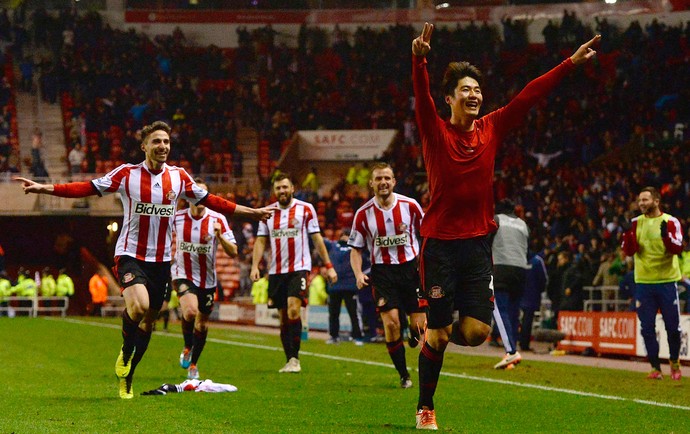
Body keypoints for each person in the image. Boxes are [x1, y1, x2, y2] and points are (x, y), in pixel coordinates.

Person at [411, 22, 600, 429]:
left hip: (478, 243)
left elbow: (528, 96)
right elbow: (421, 98)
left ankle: (433, 334)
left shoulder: (492, 127)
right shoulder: (435, 130)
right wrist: (420, 60)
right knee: (442, 336)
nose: (474, 94)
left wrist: (569, 63)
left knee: (476, 333)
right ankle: (426, 406)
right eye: (465, 89)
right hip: (439, 243)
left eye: (478, 89)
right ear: (450, 98)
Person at [15, 120, 275, 399]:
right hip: (130, 254)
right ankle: (125, 353)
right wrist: (45, 188)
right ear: (144, 146)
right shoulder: (126, 174)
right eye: (156, 142)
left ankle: (128, 377)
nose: (162, 146)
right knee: (138, 307)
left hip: (162, 261)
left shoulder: (179, 177)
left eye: (166, 142)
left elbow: (213, 201)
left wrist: (251, 212)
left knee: (149, 322)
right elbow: (87, 187)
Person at [349, 162, 426, 389]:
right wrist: (357, 273)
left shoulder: (410, 206)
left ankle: (412, 335)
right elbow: (355, 249)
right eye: (378, 178)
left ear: (394, 181)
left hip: (411, 270)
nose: (383, 182)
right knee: (391, 324)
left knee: (419, 328)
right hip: (382, 273)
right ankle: (404, 374)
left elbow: (427, 235)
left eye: (387, 178)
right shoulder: (363, 214)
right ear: (371, 183)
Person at [250, 172, 337, 374]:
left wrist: (328, 265)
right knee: (283, 317)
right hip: (276, 271)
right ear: (274, 191)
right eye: (278, 188)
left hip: (299, 267)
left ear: (292, 188)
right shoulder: (267, 212)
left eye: (285, 187)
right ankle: (289, 358)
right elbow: (261, 240)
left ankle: (295, 358)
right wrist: (255, 266)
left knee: (293, 310)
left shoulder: (306, 209)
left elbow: (317, 238)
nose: (282, 191)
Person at [172, 179, 238, 381]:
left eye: (204, 195)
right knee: (190, 311)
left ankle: (194, 363)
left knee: (202, 325)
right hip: (182, 273)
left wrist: (221, 236)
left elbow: (234, 252)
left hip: (207, 280)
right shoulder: (177, 218)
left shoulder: (217, 219)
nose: (199, 198)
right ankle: (186, 346)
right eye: (195, 194)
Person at [621, 186, 683, 380]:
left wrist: (666, 236)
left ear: (656, 201)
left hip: (666, 282)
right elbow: (629, 251)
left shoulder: (670, 221)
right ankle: (655, 368)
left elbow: (677, 249)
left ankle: (674, 361)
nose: (641, 203)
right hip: (644, 283)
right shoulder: (635, 223)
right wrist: (628, 236)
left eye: (645, 200)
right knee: (646, 327)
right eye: (640, 200)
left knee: (672, 328)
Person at [490, 199, 529, 369]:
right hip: (521, 269)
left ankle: (511, 351)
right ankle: (513, 347)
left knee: (499, 309)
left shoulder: (497, 220)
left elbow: (486, 242)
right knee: (514, 311)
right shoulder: (523, 225)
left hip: (502, 268)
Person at [324, 228, 363, 345]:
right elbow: (319, 240)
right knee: (334, 313)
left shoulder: (354, 248)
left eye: (347, 235)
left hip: (349, 286)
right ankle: (334, 336)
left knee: (353, 313)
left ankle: (357, 336)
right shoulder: (332, 245)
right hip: (335, 285)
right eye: (344, 235)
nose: (345, 237)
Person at [519, 250, 548, 352]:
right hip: (532, 296)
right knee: (527, 320)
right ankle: (524, 344)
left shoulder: (519, 259)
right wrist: (540, 291)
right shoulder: (537, 261)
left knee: (515, 318)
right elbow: (543, 279)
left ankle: (513, 341)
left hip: (518, 295)